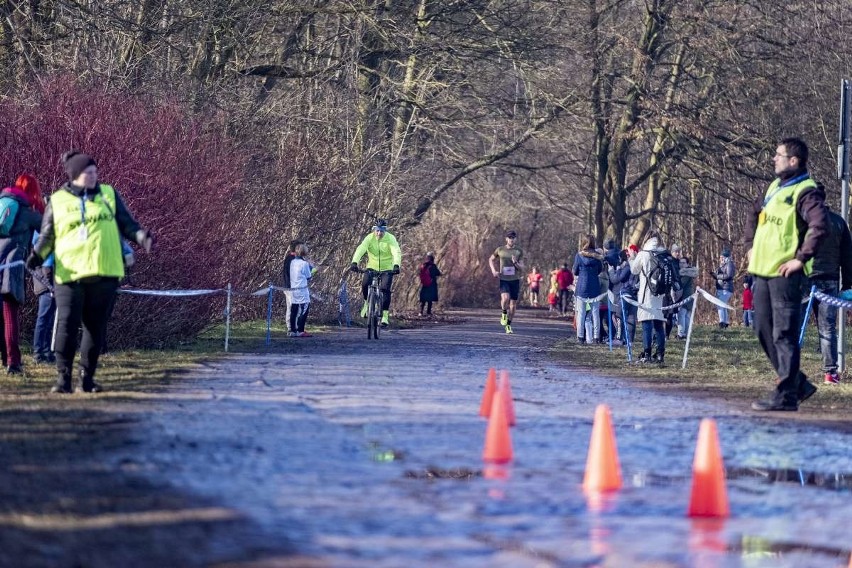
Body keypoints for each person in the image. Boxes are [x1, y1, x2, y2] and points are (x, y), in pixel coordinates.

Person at [28, 151, 153, 393]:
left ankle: (87, 378)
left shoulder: (109, 195)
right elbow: (47, 235)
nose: (94, 177)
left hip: (105, 272)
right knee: (66, 324)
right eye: (88, 173)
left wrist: (142, 237)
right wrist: (37, 256)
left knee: (95, 327)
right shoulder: (58, 200)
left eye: (95, 172)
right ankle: (63, 378)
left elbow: (128, 224)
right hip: (70, 274)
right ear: (75, 175)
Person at [747, 137, 827, 411]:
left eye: (778, 155)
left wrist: (800, 259)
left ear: (793, 161)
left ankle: (786, 396)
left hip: (785, 275)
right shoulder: (773, 188)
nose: (774, 159)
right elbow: (754, 214)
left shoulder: (806, 192)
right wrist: (749, 246)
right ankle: (798, 384)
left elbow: (819, 226)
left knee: (784, 335)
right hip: (761, 272)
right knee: (762, 330)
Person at [0, 174, 44, 373]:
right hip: (11, 269)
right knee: (10, 317)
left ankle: (6, 359)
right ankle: (13, 363)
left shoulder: (3, 205)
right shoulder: (27, 213)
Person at [806, 201, 852, 384]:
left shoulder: (802, 220)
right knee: (827, 327)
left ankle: (788, 371)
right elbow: (847, 256)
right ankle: (830, 373)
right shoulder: (838, 222)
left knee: (793, 325)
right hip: (829, 280)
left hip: (803, 279)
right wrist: (848, 283)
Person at [350, 218, 402, 328]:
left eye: (382, 231)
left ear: (385, 230)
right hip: (372, 267)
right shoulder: (369, 238)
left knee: (385, 289)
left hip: (387, 268)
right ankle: (366, 303)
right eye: (377, 230)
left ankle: (385, 316)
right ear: (374, 230)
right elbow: (361, 249)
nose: (379, 233)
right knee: (365, 284)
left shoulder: (390, 238)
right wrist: (354, 262)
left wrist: (396, 265)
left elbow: (396, 252)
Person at [629, 231, 667, 365]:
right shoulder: (664, 254)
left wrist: (632, 258)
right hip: (661, 295)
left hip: (646, 294)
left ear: (646, 239)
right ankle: (660, 355)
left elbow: (634, 270)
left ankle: (647, 354)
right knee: (659, 326)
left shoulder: (643, 254)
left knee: (646, 326)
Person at [488, 230, 524, 334]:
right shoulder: (500, 250)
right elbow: (491, 259)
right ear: (506, 239)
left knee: (513, 305)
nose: (511, 239)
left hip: (515, 280)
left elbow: (522, 267)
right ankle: (504, 312)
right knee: (505, 298)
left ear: (515, 239)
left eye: (513, 237)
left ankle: (508, 325)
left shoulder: (518, 251)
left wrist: (515, 262)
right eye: (509, 237)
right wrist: (494, 271)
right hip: (504, 279)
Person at [572, 234, 603, 344]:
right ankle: (596, 337)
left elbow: (575, 271)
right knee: (595, 313)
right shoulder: (598, 256)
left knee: (581, 313)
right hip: (594, 286)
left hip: (582, 287)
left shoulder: (579, 256)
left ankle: (580, 337)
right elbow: (600, 270)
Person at [31, 231, 55, 364]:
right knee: (44, 317)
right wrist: (50, 282)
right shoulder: (43, 231)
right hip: (46, 278)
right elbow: (47, 261)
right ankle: (38, 353)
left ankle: (45, 351)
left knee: (48, 318)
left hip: (45, 277)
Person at [670, 244, 698, 339]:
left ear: (687, 264)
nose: (681, 264)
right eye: (680, 263)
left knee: (682, 315)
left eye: (683, 263)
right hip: (689, 296)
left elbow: (681, 284)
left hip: (686, 296)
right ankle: (685, 334)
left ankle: (681, 334)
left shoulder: (686, 273)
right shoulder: (687, 272)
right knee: (686, 316)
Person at [287, 242, 314, 337]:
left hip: (294, 289)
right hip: (302, 290)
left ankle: (292, 330)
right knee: (304, 309)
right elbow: (309, 277)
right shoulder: (304, 264)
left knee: (293, 309)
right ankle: (300, 330)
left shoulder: (292, 262)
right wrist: (312, 268)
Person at [713, 248, 736, 328]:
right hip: (721, 288)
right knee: (723, 305)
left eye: (722, 257)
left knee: (720, 305)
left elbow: (729, 275)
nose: (720, 259)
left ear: (725, 257)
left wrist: (717, 276)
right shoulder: (724, 264)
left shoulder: (730, 264)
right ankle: (725, 323)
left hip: (726, 288)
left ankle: (722, 322)